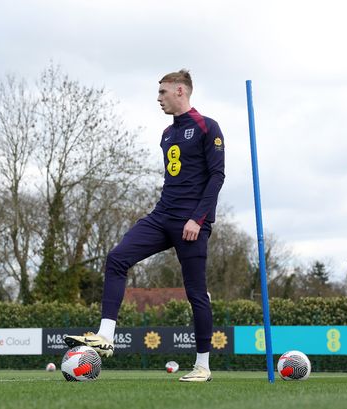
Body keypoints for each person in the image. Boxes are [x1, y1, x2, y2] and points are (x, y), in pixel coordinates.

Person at [64, 69, 225, 382]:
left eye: (163, 92)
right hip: (162, 215)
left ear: (181, 91)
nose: (158, 98)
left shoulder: (208, 126)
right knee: (117, 258)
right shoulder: (166, 134)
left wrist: (198, 218)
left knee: (196, 294)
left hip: (191, 222)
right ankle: (105, 334)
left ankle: (202, 366)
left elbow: (217, 176)